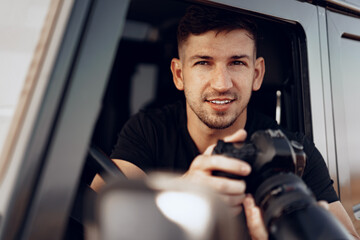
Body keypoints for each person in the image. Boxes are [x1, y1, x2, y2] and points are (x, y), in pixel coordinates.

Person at [92, 5, 359, 239]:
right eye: (203, 63)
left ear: (257, 74)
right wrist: (181, 196)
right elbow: (93, 217)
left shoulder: (293, 153)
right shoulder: (148, 130)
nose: (222, 84)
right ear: (178, 74)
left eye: (237, 63)